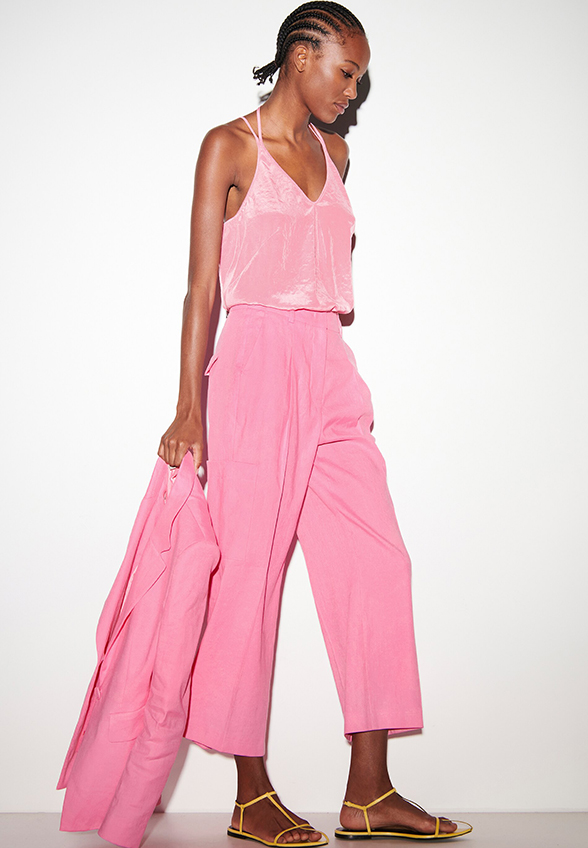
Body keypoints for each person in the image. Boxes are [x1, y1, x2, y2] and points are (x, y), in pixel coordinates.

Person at [158, 2, 472, 844]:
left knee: (378, 561)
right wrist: (188, 404)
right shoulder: (228, 146)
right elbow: (202, 288)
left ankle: (370, 791)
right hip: (255, 365)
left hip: (329, 366)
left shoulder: (337, 154)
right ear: (302, 56)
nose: (352, 90)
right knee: (247, 577)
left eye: (360, 79)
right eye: (346, 71)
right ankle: (250, 795)